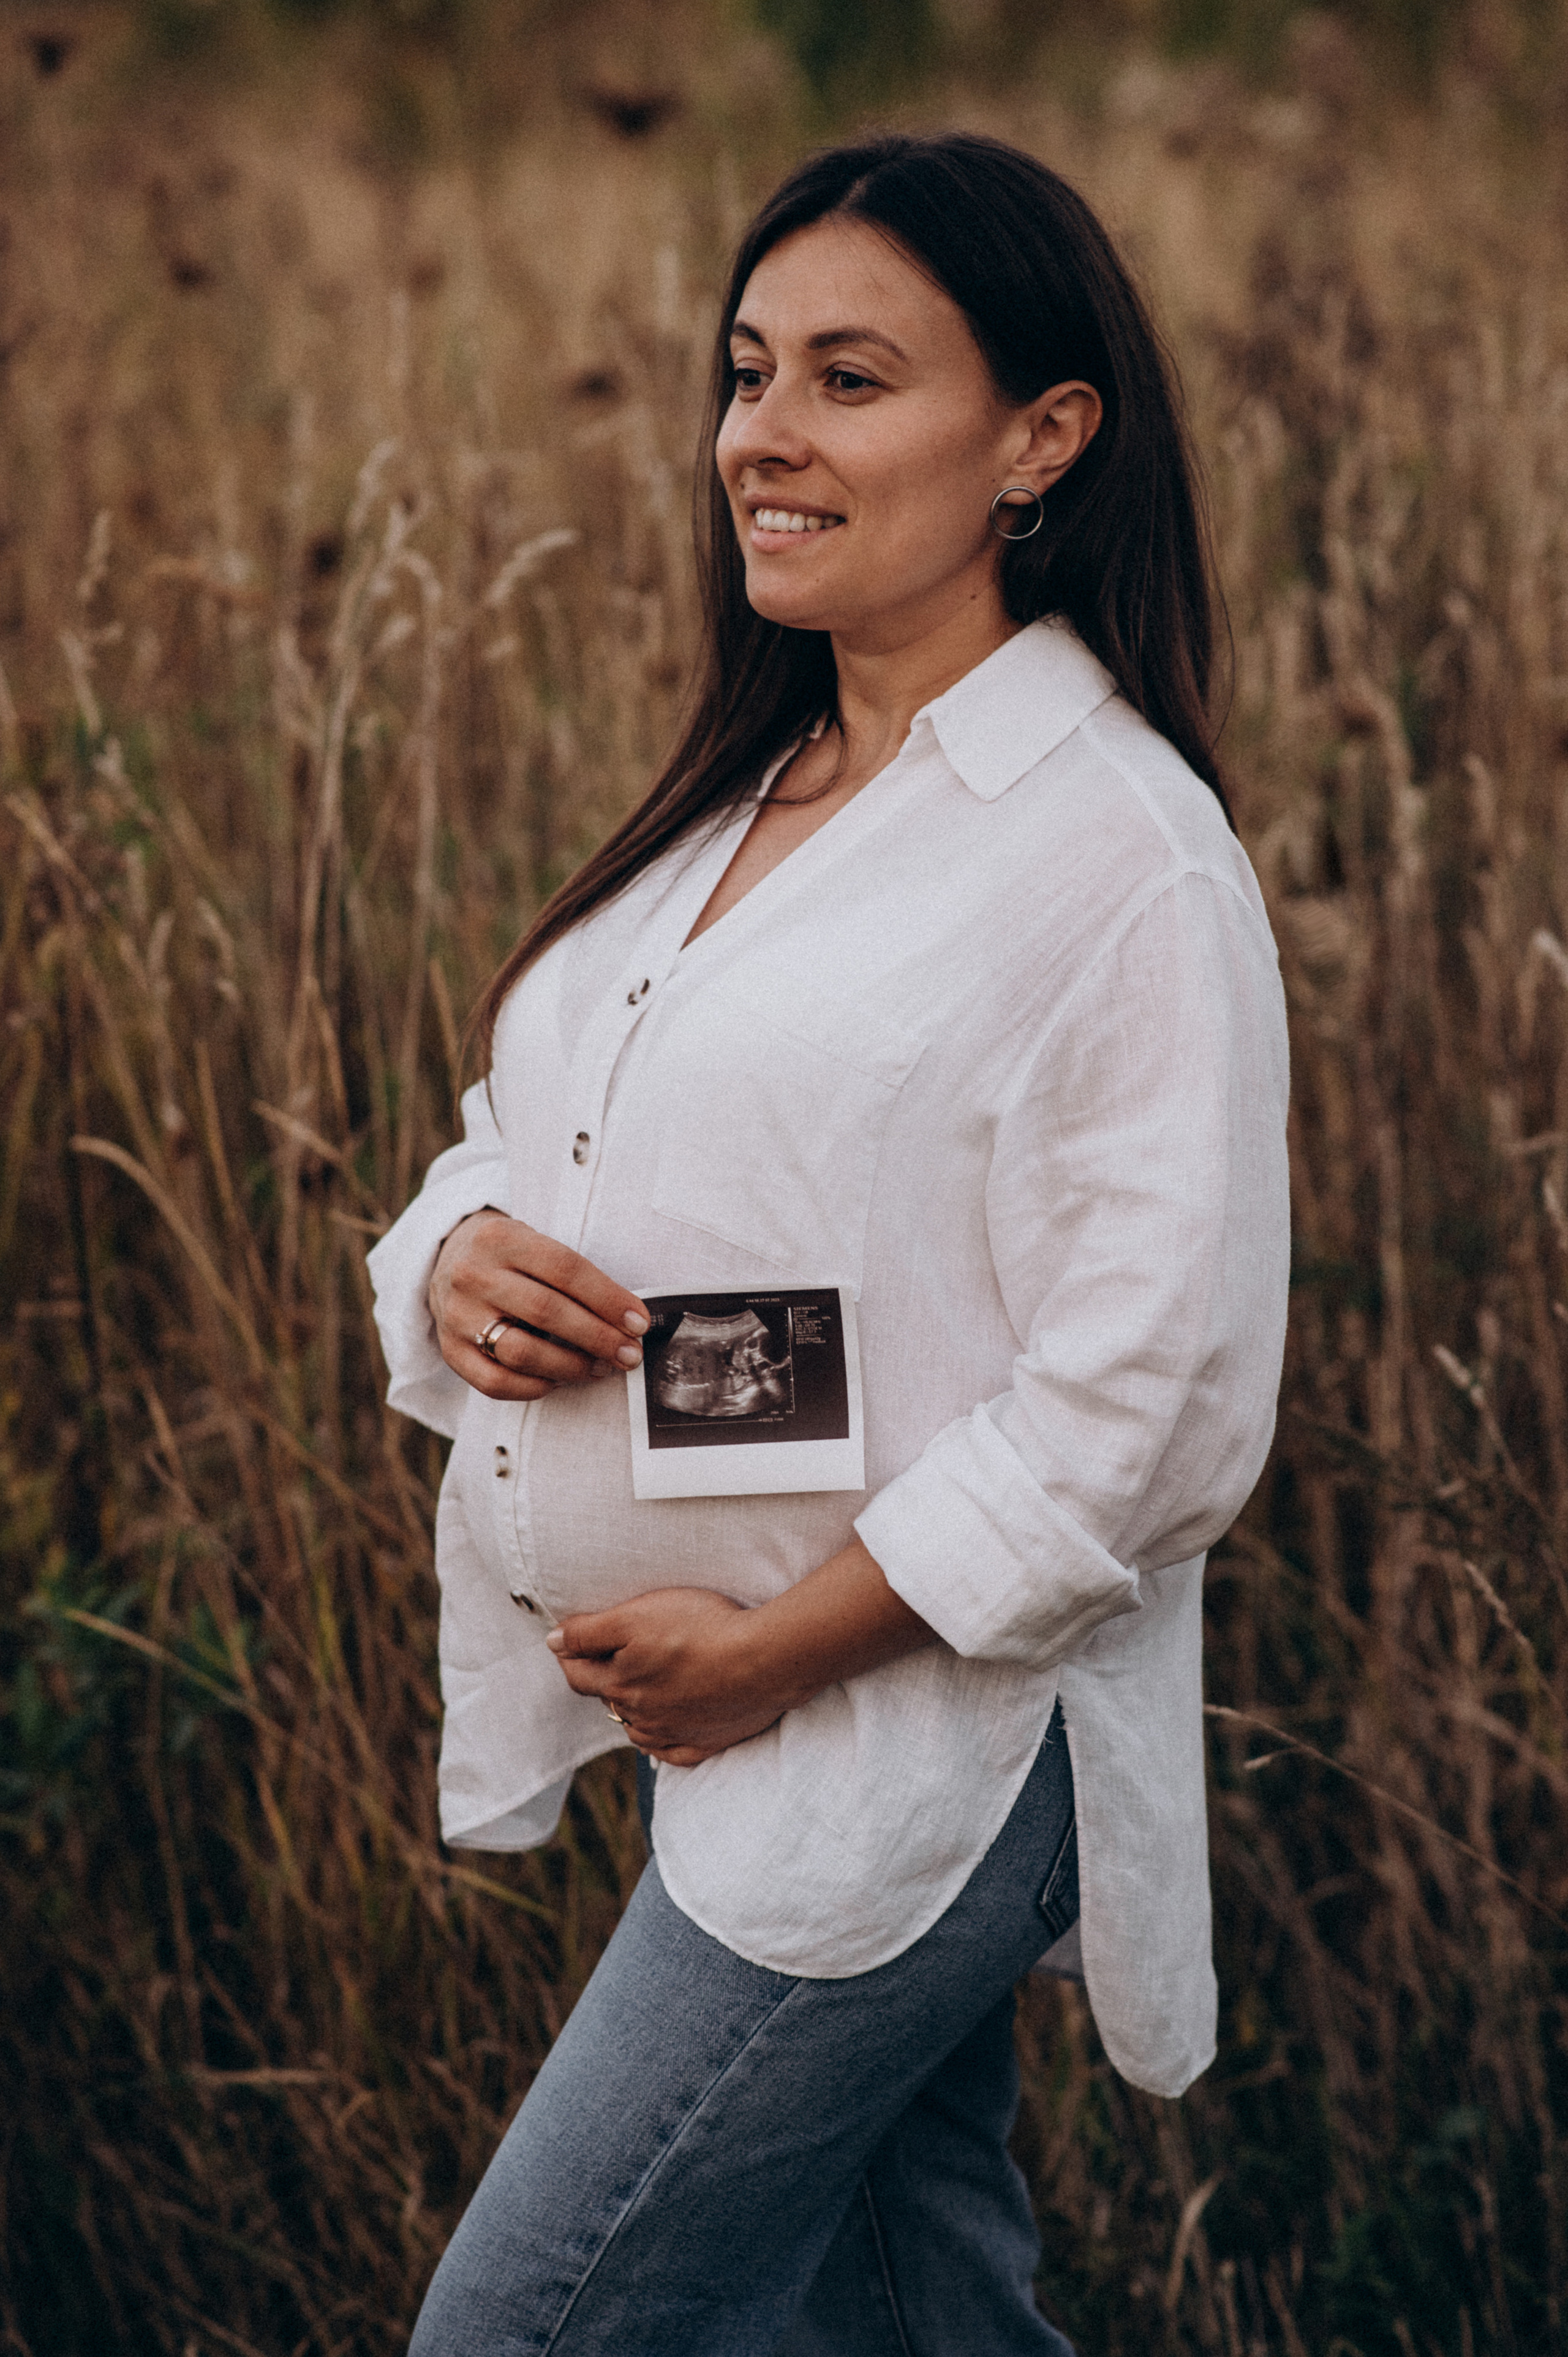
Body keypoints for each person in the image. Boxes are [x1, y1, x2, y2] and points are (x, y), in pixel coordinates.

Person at [369, 131, 1289, 2357]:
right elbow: (523, 1135)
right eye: (749, 368)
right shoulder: (749, 795)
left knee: (524, 2333)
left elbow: (1145, 1409)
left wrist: (775, 1657)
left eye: (853, 381)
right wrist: (462, 1254)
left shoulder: (1119, 862)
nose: (763, 438)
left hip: (922, 1753)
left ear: (1043, 441)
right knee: (920, 2318)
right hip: (764, 1731)